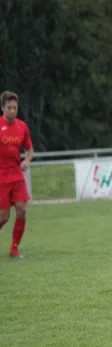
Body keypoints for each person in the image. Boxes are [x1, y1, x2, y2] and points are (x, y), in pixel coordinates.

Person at [0, 91, 33, 259]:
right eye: (9, 108)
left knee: (21, 210)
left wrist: (26, 161)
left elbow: (29, 149)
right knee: (4, 216)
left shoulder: (22, 127)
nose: (12, 111)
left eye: (15, 107)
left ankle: (14, 248)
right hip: (1, 177)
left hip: (17, 176)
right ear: (3, 108)